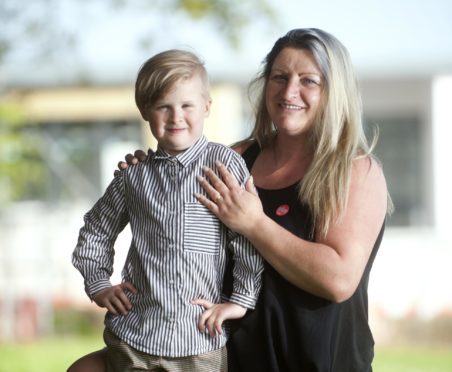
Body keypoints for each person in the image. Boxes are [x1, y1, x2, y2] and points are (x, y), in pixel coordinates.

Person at [68, 28, 391, 371]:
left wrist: (253, 223)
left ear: (334, 91)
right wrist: (147, 169)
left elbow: (338, 281)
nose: (289, 91)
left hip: (318, 362)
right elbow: (175, 187)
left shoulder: (357, 171)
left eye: (308, 80)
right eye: (279, 77)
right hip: (222, 356)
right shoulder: (233, 160)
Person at [70, 49, 263, 372]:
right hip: (134, 337)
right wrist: (99, 284)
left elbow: (247, 237)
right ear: (145, 111)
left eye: (187, 105)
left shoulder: (225, 166)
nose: (176, 117)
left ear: (206, 106)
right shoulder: (133, 176)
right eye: (163, 107)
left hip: (200, 340)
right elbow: (96, 231)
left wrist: (239, 301)